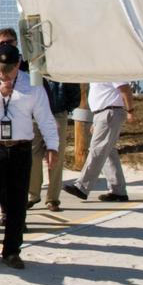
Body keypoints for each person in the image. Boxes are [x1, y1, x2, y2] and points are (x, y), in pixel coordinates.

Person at [0, 43, 58, 270]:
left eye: (8, 69)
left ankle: (12, 250)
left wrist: (53, 146)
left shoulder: (32, 85)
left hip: (21, 148)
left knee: (17, 202)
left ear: (18, 64)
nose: (3, 72)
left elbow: (45, 118)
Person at [63, 81, 135, 203]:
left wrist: (130, 111)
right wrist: (96, 120)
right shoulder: (99, 71)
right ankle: (118, 191)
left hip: (109, 112)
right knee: (108, 153)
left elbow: (125, 89)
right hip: (102, 114)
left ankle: (82, 187)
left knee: (97, 150)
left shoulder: (111, 69)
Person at [28, 80, 81, 212]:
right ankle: (33, 195)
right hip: (35, 115)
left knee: (56, 157)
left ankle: (52, 198)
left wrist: (65, 109)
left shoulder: (61, 67)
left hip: (57, 113)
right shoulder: (33, 65)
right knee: (33, 155)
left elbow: (74, 91)